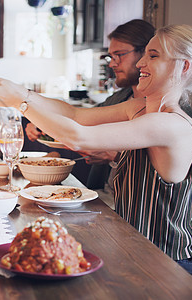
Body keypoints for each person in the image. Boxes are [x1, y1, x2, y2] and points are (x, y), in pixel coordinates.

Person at [0, 24, 192, 281]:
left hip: (167, 266)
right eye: (144, 54)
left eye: (154, 56)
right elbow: (75, 115)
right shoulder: (139, 108)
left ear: (184, 66)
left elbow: (79, 137)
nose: (141, 64)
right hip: (135, 248)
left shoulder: (172, 125)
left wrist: (19, 102)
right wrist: (21, 91)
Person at [25, 19, 157, 193]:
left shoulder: (164, 110)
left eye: (120, 54)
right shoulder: (121, 98)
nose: (112, 63)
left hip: (136, 208)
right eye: (112, 56)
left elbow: (158, 174)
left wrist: (114, 156)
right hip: (109, 196)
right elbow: (80, 118)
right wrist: (41, 121)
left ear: (145, 54)